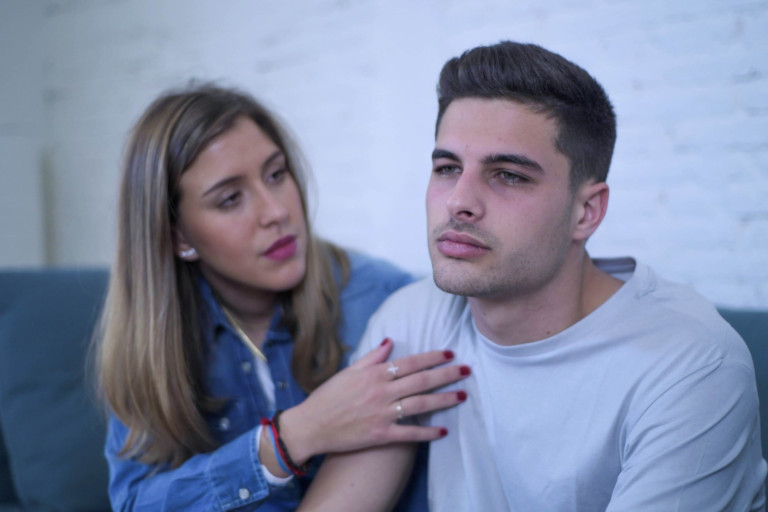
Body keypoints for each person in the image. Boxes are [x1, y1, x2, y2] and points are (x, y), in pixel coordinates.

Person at [299, 41, 768, 511]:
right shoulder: (413, 320)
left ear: (586, 211)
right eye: (447, 168)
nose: (459, 201)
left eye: (508, 176)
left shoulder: (690, 367)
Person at [93, 83, 470, 511]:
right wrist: (289, 438)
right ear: (178, 237)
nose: (276, 211)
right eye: (231, 199)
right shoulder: (154, 345)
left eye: (276, 174)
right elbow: (136, 502)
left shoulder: (385, 301)